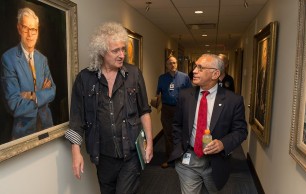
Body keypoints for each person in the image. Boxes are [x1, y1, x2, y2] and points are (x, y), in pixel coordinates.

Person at [65, 22, 153, 194]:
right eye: (115, 51)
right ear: (102, 52)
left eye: (123, 49)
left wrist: (149, 143)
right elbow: (77, 119)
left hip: (131, 153)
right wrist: (76, 153)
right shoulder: (84, 79)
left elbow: (144, 111)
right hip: (103, 156)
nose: (122, 55)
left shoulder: (134, 74)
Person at [168, 54, 248, 193]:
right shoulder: (185, 96)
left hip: (216, 163)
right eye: (195, 66)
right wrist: (179, 147)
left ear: (215, 74)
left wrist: (223, 144)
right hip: (189, 160)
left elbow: (241, 131)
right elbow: (177, 125)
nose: (194, 71)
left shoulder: (233, 100)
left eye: (200, 67)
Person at [0, 7, 55, 139]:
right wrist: (42, 95)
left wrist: (32, 95)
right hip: (24, 133)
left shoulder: (42, 59)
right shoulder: (8, 59)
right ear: (19, 28)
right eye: (26, 28)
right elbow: (15, 105)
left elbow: (52, 91)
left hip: (47, 126)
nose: (30, 34)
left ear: (37, 31)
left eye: (33, 29)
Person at [155, 55, 191, 168]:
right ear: (166, 65)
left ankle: (182, 157)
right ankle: (170, 158)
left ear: (177, 64)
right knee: (168, 134)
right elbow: (158, 93)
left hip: (180, 109)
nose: (173, 65)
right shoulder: (162, 78)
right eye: (170, 63)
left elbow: (190, 93)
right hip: (166, 109)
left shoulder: (184, 77)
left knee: (181, 133)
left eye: (174, 63)